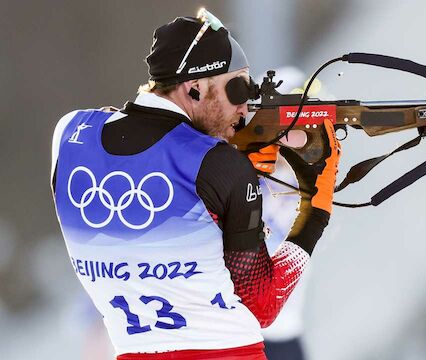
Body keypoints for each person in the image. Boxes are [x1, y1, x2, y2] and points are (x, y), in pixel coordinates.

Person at [50, 10, 340, 360]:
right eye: (237, 88)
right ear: (194, 88)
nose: (245, 106)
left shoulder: (69, 135)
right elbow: (264, 305)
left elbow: (146, 141)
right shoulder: (219, 165)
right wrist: (316, 205)